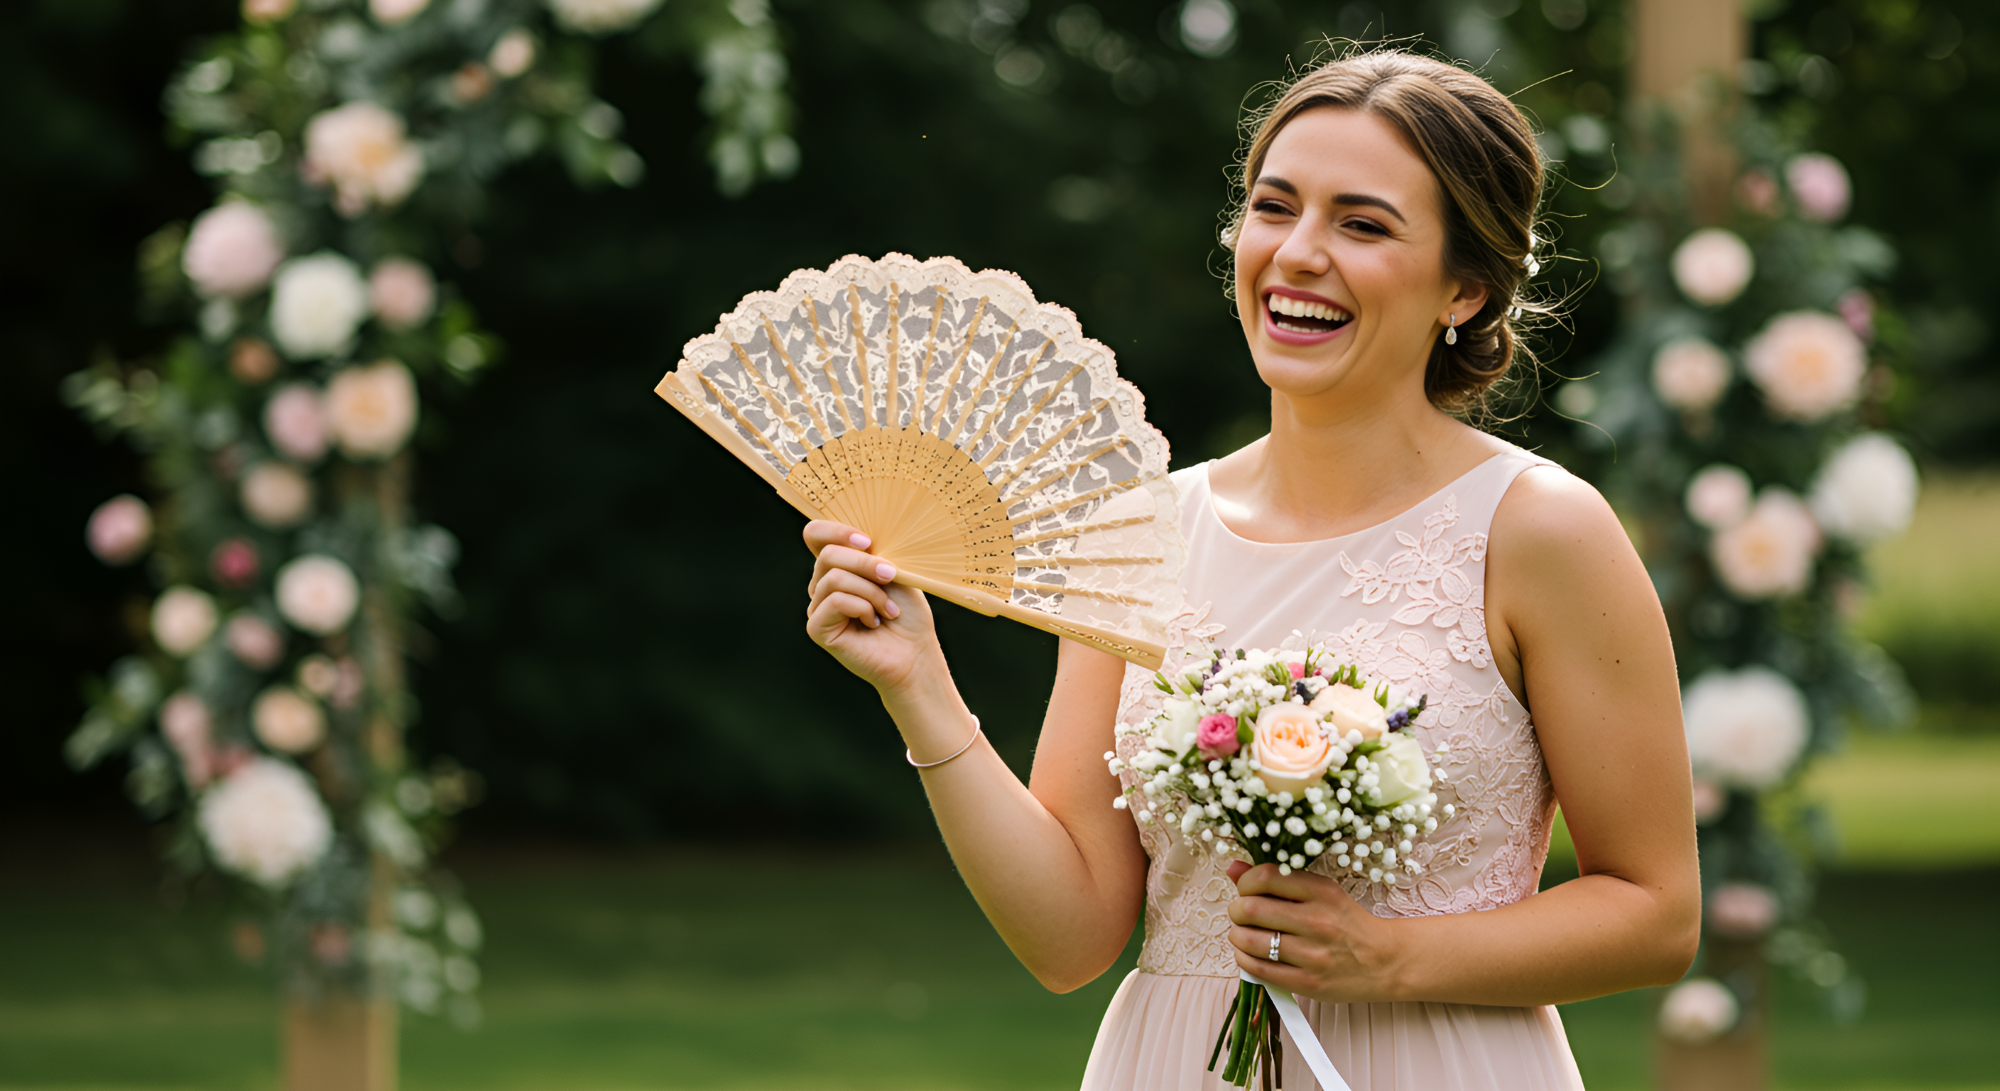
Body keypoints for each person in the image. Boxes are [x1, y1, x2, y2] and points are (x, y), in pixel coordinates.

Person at [799, 49, 1699, 1091]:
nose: (1297, 253)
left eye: (1361, 224)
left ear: (1463, 286)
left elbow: (1655, 910)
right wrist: (919, 686)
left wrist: (1394, 957)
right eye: (1275, 208)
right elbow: (1069, 937)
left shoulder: (1539, 530)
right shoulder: (1135, 529)